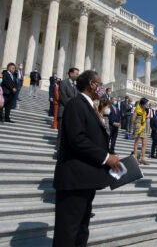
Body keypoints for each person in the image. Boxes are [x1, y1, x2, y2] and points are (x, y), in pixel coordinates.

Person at [52, 70, 121, 246]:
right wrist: (106, 157)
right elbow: (77, 139)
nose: (102, 88)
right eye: (100, 84)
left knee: (81, 230)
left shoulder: (89, 106)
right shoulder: (76, 104)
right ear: (91, 84)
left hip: (84, 180)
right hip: (74, 180)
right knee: (68, 232)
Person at [55, 67, 79, 157]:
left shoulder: (75, 86)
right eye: (76, 73)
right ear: (71, 74)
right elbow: (63, 98)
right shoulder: (63, 83)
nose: (77, 75)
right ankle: (58, 153)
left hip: (71, 114)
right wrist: (74, 103)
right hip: (64, 111)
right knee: (61, 134)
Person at [132, 98, 149, 165]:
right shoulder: (137, 109)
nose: (146, 105)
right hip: (138, 126)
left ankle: (142, 158)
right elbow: (133, 119)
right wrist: (134, 128)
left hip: (143, 126)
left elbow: (145, 118)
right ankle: (135, 158)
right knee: (137, 143)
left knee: (144, 143)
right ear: (142, 103)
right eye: (146, 104)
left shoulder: (145, 110)